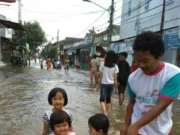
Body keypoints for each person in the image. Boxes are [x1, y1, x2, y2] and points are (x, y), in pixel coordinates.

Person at [121, 31, 180, 135]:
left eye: (145, 60)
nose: (141, 65)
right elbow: (132, 102)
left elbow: (161, 106)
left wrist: (135, 126)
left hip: (161, 131)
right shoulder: (132, 78)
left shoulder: (173, 75)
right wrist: (126, 125)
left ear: (159, 55)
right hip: (137, 131)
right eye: (138, 61)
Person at [96, 50, 119, 116]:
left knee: (102, 99)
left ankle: (105, 112)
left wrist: (98, 85)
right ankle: (107, 112)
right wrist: (116, 88)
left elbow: (100, 77)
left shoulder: (102, 65)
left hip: (104, 84)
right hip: (111, 85)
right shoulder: (115, 66)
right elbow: (115, 78)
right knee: (108, 100)